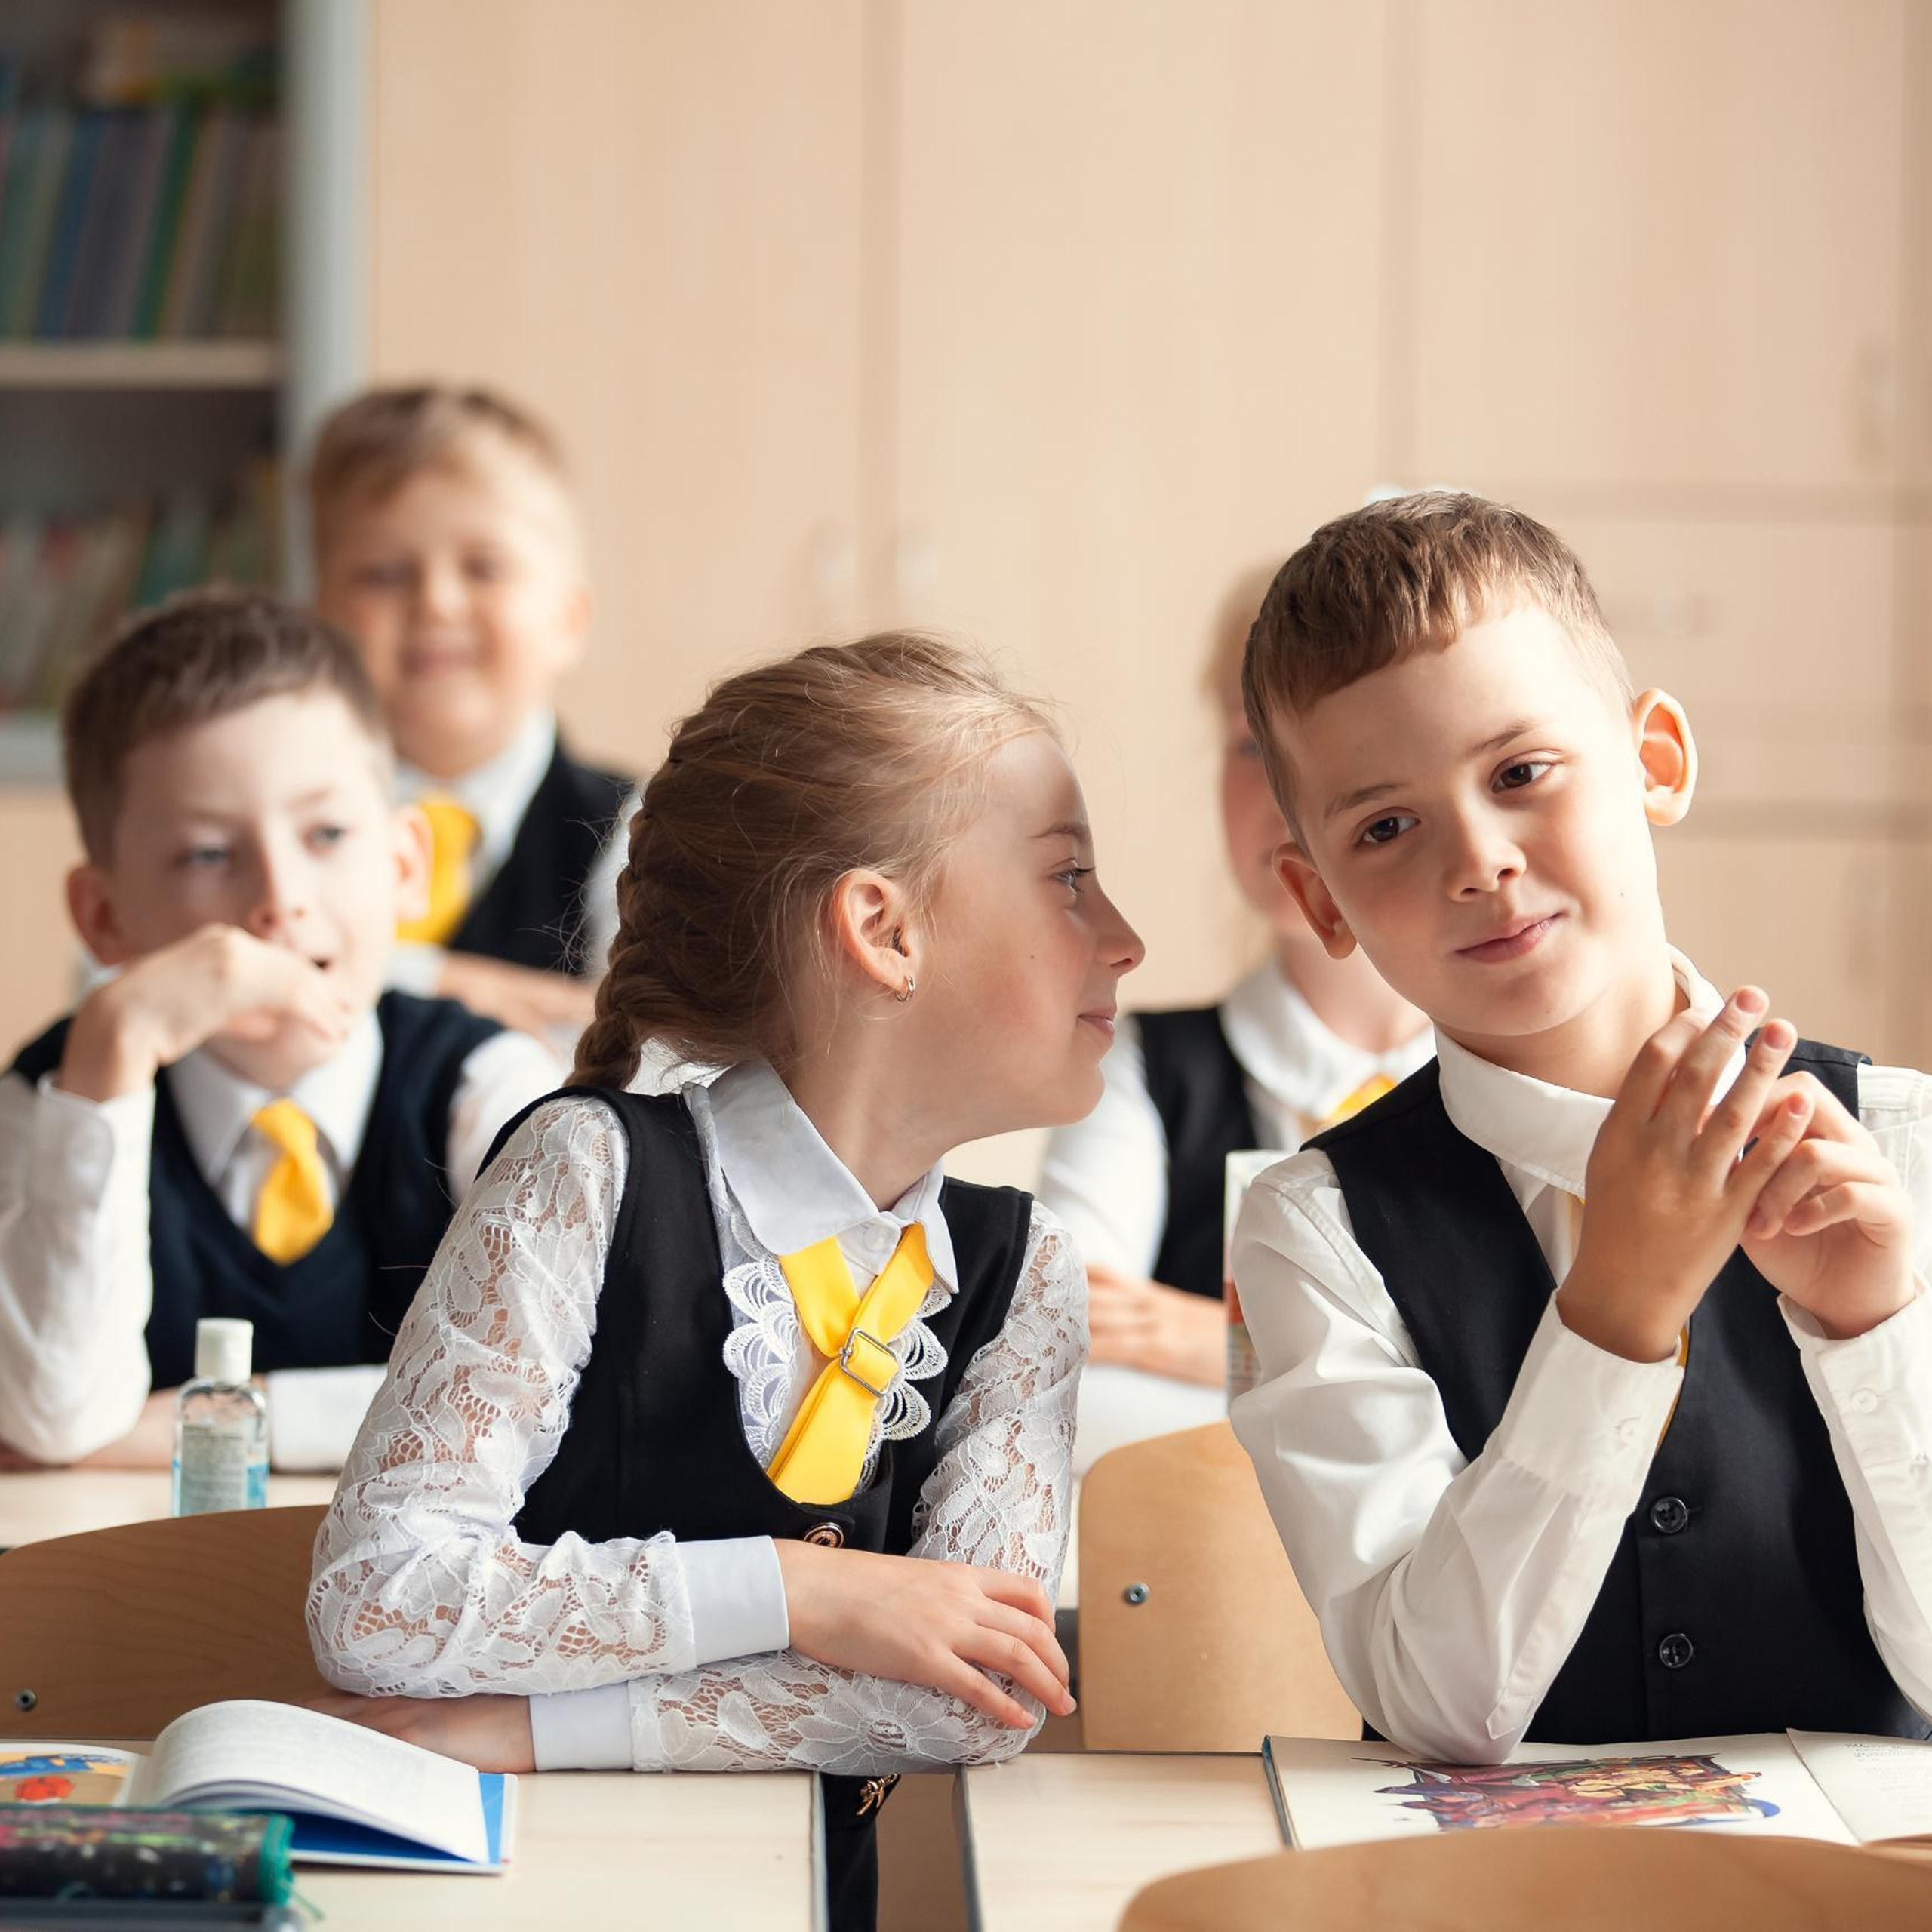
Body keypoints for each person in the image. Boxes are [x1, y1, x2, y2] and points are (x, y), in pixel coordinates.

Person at [305, 634, 1144, 1930]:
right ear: (883, 928)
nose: (1127, 939)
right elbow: (378, 1602)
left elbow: (976, 1701)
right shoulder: (584, 1171)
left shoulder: (1021, 1271)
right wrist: (803, 1591)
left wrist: (532, 1725)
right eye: (1071, 880)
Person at [1230, 491, 1932, 1761]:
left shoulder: (1903, 1139)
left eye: (1519, 773)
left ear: (1654, 761)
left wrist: (1875, 1328)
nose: (1479, 859)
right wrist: (1611, 1312)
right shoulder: (1313, 1231)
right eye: (1386, 827)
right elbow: (1435, 1704)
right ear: (1319, 900)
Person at [0, 590, 560, 1471]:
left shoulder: (484, 1082)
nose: (279, 897)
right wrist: (112, 1044)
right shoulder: (58, 1095)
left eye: (327, 832)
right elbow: (55, 1419)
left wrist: (193, 1424)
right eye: (207, 854)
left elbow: (550, 1393)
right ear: (103, 916)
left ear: (405, 866)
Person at [1039, 565, 1428, 1465]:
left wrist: (1204, 1337)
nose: (1289, 798)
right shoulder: (1138, 1057)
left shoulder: (1512, 1075)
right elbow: (1062, 1339)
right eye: (1253, 747)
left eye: (1345, 751)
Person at [309, 384, 635, 1043]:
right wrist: (435, 980)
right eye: (383, 574)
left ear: (569, 619)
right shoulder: (276, 822)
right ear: (323, 622)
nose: (436, 603)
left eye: (484, 568)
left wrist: (340, 981)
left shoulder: (638, 834)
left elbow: (634, 1049)